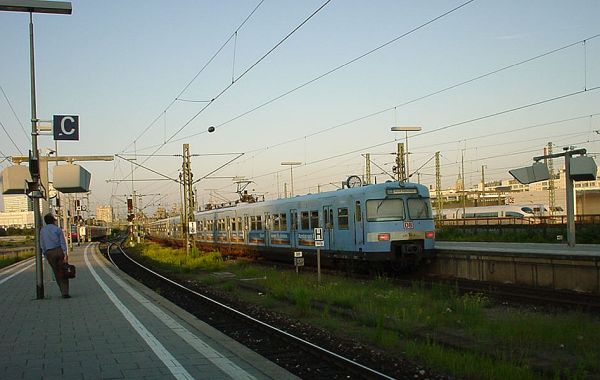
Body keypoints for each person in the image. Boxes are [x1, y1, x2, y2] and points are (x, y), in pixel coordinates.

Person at [40, 213, 70, 298]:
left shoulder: (42, 230)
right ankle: (65, 292)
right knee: (63, 270)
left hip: (49, 252)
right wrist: (65, 253)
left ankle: (61, 290)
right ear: (53, 220)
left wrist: (45, 253)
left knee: (56, 272)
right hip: (59, 250)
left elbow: (42, 244)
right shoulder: (57, 229)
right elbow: (62, 242)